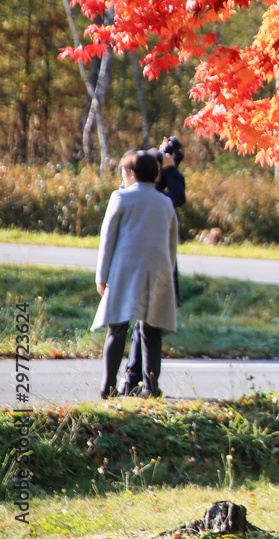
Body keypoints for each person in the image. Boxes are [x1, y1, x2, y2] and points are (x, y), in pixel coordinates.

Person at [93, 149, 178, 399]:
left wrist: (102, 274)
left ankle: (107, 387)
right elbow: (171, 244)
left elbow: (107, 238)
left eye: (123, 172)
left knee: (117, 328)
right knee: (151, 330)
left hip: (124, 270)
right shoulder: (166, 202)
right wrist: (168, 272)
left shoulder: (120, 198)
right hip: (158, 270)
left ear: (131, 174)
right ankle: (151, 388)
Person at [121, 136, 185, 395]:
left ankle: (133, 379)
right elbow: (177, 197)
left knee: (143, 324)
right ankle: (142, 382)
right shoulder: (150, 194)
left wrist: (171, 167)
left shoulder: (139, 192)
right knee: (148, 325)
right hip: (154, 263)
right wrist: (171, 171)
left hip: (145, 262)